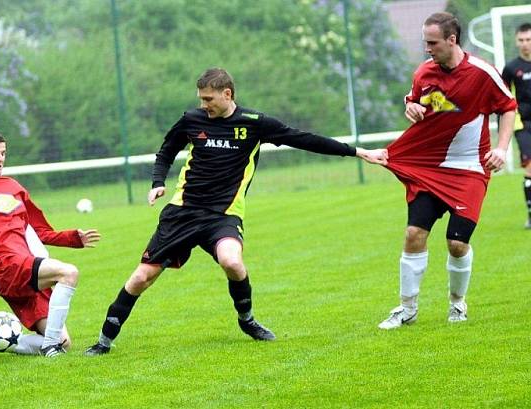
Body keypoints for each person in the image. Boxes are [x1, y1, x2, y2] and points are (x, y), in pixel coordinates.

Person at [84, 68, 388, 356]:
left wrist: (359, 152)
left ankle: (247, 320)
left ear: (227, 93)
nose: (203, 105)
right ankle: (103, 342)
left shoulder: (255, 123)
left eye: (208, 99)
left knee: (232, 261)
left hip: (223, 215)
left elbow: (304, 138)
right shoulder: (191, 120)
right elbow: (167, 150)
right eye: (200, 99)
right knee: (141, 278)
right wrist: (157, 182)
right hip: (182, 213)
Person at [378, 12, 516, 330]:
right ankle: (407, 308)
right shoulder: (424, 73)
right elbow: (419, 103)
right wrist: (411, 107)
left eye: (432, 42)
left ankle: (457, 303)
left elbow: (508, 108)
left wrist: (501, 148)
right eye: (425, 42)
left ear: (451, 40)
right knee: (414, 234)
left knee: (456, 242)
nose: (427, 48)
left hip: (470, 169)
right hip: (431, 168)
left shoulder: (482, 73)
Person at [0, 130, 100, 359]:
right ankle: (50, 348)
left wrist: (72, 238)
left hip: (26, 263)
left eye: (3, 153)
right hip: (6, 266)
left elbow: (40, 229)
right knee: (69, 273)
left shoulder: (14, 187)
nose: (0, 158)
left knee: (65, 341)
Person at [501, 23, 531, 229]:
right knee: (530, 169)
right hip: (524, 124)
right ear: (516, 41)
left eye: (528, 40)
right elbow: (502, 98)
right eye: (521, 40)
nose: (525, 44)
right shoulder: (511, 68)